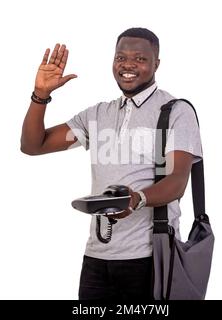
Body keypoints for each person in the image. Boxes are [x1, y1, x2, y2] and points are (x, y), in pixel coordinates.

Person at [20, 27, 202, 300]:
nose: (128, 65)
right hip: (97, 256)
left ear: (157, 63)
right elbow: (34, 145)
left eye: (140, 58)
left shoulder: (176, 111)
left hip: (149, 256)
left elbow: (176, 183)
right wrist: (40, 95)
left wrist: (136, 199)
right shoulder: (98, 115)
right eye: (120, 57)